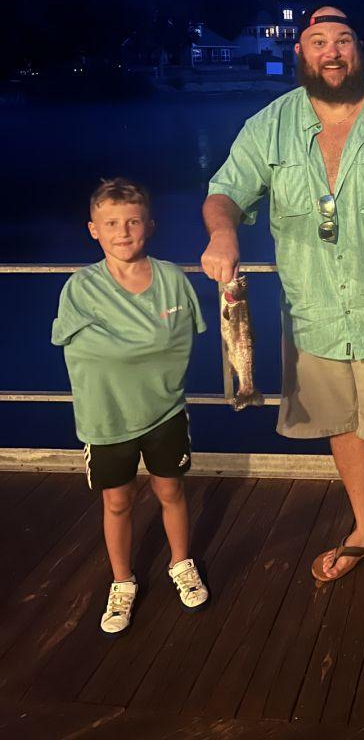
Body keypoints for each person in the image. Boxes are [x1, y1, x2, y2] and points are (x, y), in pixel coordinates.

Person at [201, 5, 364, 625]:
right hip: (314, 311)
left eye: (343, 40)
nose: (332, 51)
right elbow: (225, 191)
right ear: (301, 53)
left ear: (358, 50)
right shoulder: (269, 126)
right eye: (318, 41)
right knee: (340, 422)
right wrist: (223, 235)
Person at [52, 178, 209, 637]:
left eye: (133, 222)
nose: (124, 232)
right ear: (93, 230)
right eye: (112, 224)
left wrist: (129, 342)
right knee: (117, 501)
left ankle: (181, 562)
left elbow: (184, 337)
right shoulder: (80, 287)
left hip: (165, 411)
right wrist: (145, 339)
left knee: (171, 492)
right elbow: (82, 349)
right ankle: (122, 580)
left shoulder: (172, 278)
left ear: (150, 226)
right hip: (107, 419)